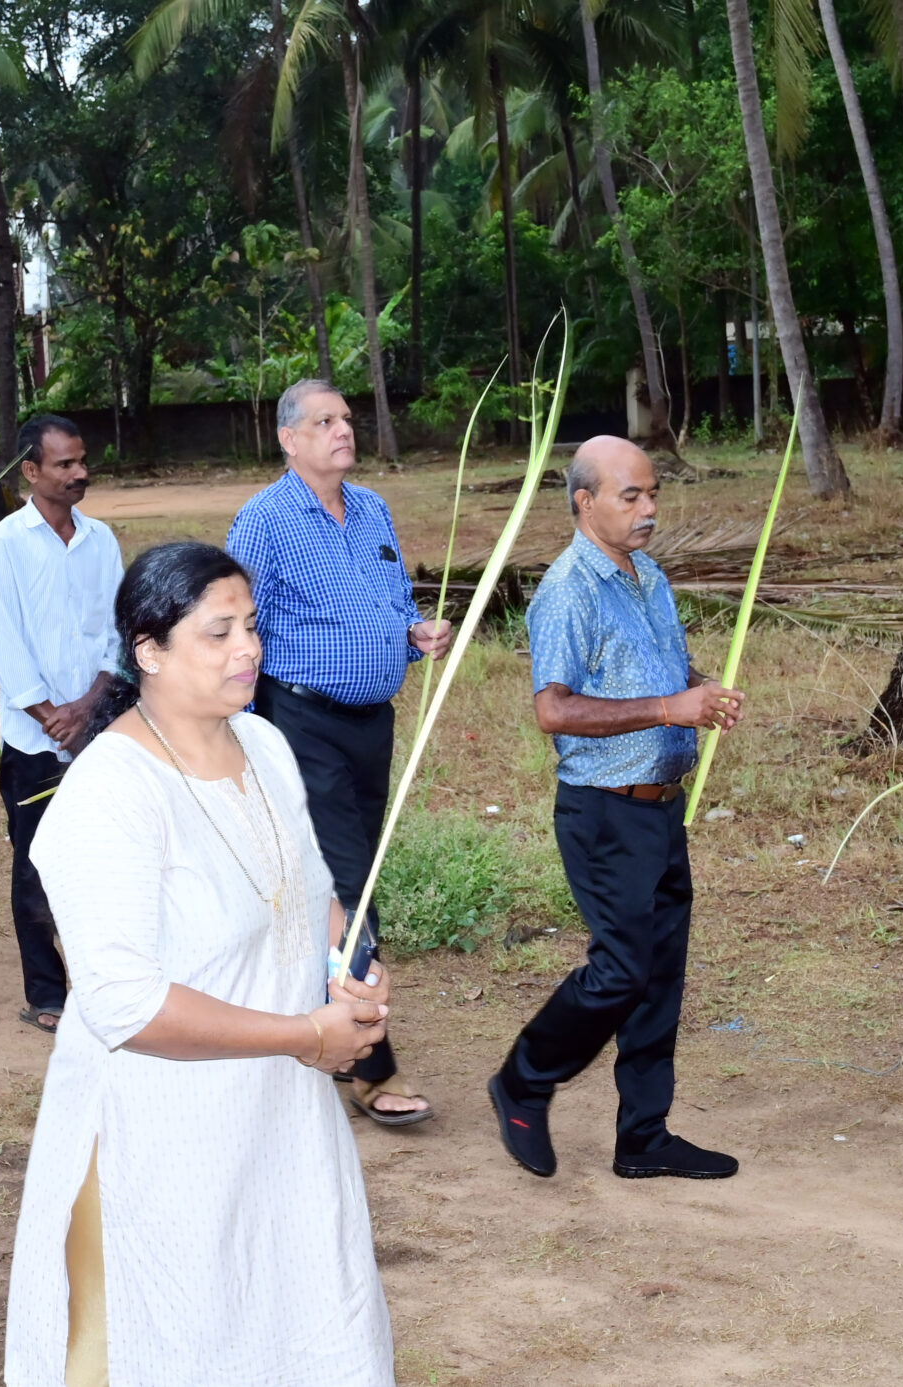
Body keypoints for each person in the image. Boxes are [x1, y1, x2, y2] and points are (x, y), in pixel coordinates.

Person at [4, 540, 394, 1387]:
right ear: (149, 651)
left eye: (252, 625)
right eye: (219, 633)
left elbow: (310, 891)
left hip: (280, 1122)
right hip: (163, 1134)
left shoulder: (265, 743)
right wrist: (305, 1034)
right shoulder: (110, 791)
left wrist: (353, 964)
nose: (248, 648)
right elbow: (128, 1006)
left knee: (295, 1321)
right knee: (175, 1336)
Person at [489, 438, 747, 1180]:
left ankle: (643, 1136)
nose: (649, 509)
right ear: (585, 502)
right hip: (604, 813)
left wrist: (698, 691)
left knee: (660, 974)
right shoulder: (568, 590)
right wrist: (670, 705)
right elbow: (554, 709)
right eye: (630, 496)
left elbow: (660, 671)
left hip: (661, 808)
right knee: (622, 971)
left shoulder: (648, 575)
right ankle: (523, 1079)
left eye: (652, 493)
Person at [225, 378, 451, 1125]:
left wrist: (415, 632)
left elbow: (394, 600)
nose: (343, 430)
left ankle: (307, 1026)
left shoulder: (373, 509)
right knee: (351, 885)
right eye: (324, 421)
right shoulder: (264, 521)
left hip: (370, 726)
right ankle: (369, 1066)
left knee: (336, 881)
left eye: (346, 419)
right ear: (289, 439)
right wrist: (237, 730)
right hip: (300, 723)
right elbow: (233, 622)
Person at [0, 415, 121, 1033]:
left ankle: (105, 984)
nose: (79, 473)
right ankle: (47, 995)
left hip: (100, 733)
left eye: (82, 460)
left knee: (105, 862)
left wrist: (88, 708)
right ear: (31, 472)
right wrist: (50, 716)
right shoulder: (3, 545)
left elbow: (118, 632)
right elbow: (7, 645)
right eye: (65, 464)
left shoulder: (101, 541)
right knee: (35, 867)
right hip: (33, 742)